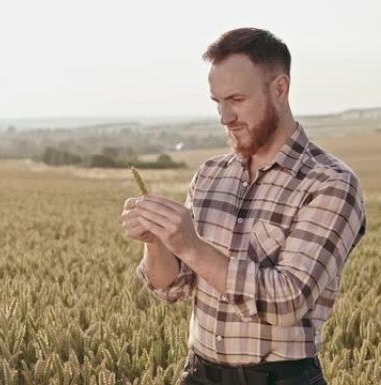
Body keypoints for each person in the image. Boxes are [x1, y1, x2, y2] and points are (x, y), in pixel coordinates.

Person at [121, 27, 367, 385]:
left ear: (279, 89)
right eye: (217, 102)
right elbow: (173, 287)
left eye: (236, 99)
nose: (224, 116)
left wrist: (190, 244)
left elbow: (287, 301)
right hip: (198, 374)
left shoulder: (330, 184)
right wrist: (156, 240)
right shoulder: (210, 174)